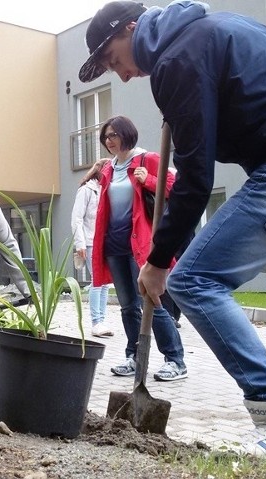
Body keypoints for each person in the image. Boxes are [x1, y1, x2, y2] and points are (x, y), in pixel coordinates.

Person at [79, 1, 266, 460]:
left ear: (132, 28)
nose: (119, 74)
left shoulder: (178, 59)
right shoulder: (224, 28)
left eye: (114, 59)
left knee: (193, 281)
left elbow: (194, 180)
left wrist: (158, 262)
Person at [89, 115, 187, 382]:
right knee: (128, 306)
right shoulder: (109, 168)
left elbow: (176, 189)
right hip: (114, 245)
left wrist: (149, 180)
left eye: (113, 135)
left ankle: (175, 360)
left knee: (151, 301)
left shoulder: (147, 160)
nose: (109, 141)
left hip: (139, 245)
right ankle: (133, 356)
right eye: (105, 137)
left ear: (126, 134)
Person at [71, 165, 112, 338]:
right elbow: (76, 218)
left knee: (104, 282)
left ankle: (101, 320)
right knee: (97, 281)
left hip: (103, 241)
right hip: (89, 241)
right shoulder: (87, 190)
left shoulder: (104, 189)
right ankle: (96, 322)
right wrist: (79, 243)